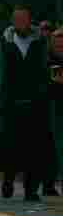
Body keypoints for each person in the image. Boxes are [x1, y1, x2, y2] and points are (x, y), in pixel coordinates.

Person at [0, 6, 51, 201]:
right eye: (16, 19)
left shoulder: (41, 41)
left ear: (30, 20)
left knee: (34, 146)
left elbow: (46, 67)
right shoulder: (4, 41)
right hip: (10, 101)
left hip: (35, 101)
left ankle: (31, 189)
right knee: (9, 144)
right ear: (12, 21)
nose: (20, 22)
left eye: (23, 19)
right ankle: (8, 180)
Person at [46, 28, 63, 195]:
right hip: (52, 106)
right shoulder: (46, 60)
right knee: (53, 145)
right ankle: (48, 183)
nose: (60, 47)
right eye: (57, 44)